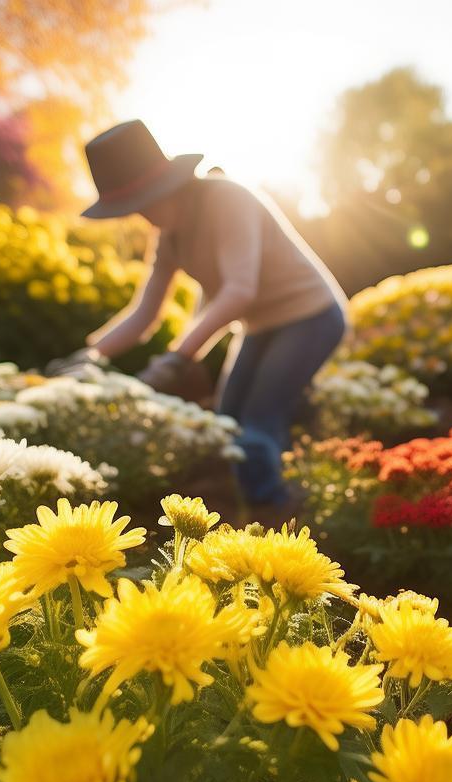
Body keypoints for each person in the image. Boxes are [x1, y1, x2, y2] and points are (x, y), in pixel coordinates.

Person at [50, 120, 346, 515]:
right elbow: (144, 313)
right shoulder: (170, 235)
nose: (142, 216)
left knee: (257, 423)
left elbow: (241, 290)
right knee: (227, 421)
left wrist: (178, 358)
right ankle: (262, 496)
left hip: (310, 316)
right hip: (260, 326)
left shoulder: (226, 199)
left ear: (167, 186)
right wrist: (90, 356)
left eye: (142, 202)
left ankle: (281, 519)